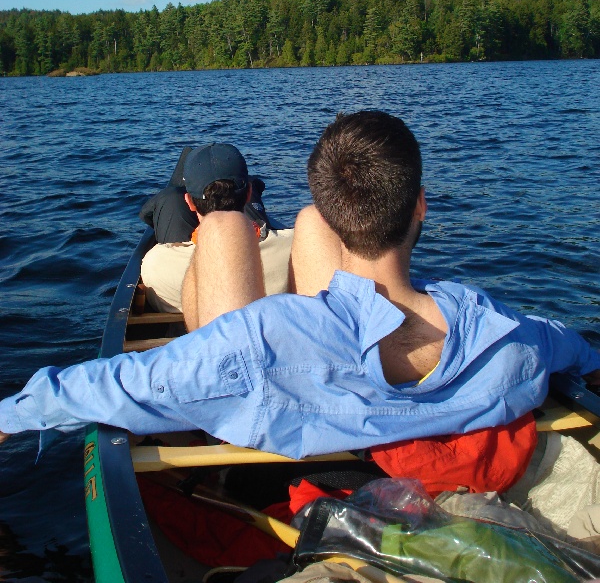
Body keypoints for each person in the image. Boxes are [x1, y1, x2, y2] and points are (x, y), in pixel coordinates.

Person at [1, 111, 599, 459]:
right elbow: (570, 345)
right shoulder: (508, 336)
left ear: (336, 216)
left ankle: (223, 222)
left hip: (294, 406)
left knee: (223, 231)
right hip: (393, 372)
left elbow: (113, 386)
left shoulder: (255, 349)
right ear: (419, 207)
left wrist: (12, 414)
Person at [139, 143, 294, 316]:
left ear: (189, 202)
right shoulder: (296, 249)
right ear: (248, 193)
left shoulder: (156, 265)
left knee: (170, 199)